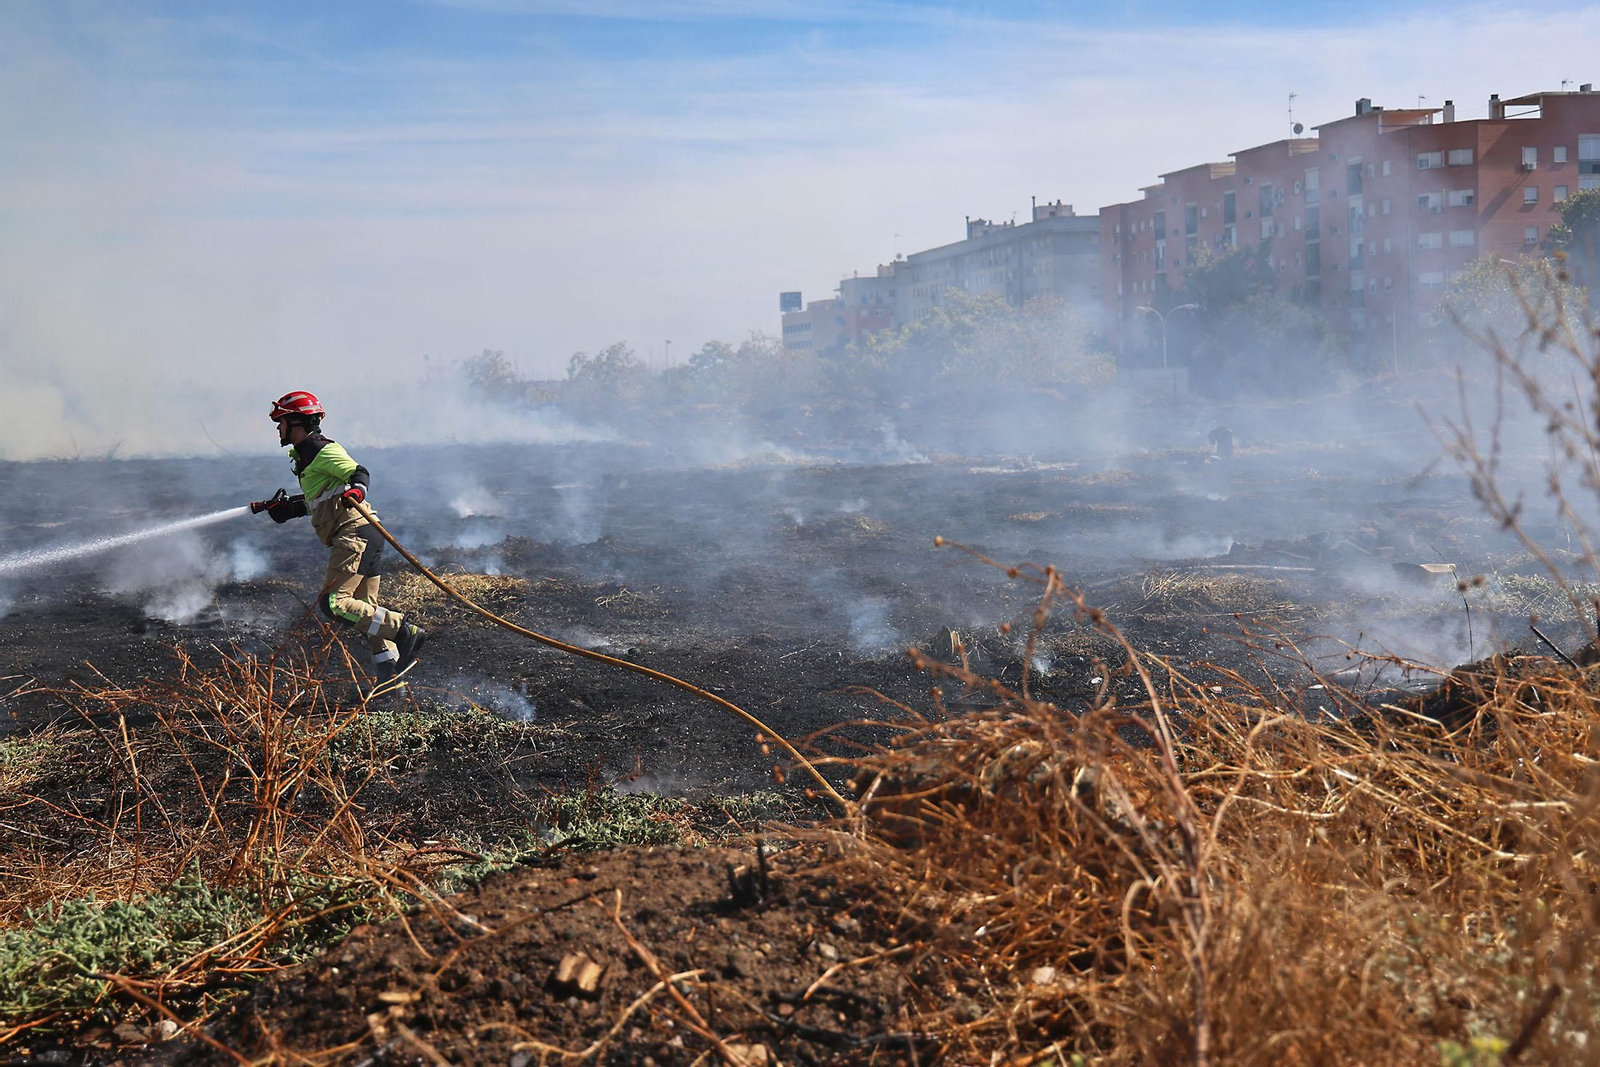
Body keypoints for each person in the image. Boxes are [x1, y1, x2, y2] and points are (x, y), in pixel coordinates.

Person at [256, 390, 425, 684]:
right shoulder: (307, 457)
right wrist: (288, 508)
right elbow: (321, 500)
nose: (278, 428)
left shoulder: (323, 450)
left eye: (280, 421)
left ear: (296, 422)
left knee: (334, 603)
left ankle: (402, 630)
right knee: (367, 613)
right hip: (364, 533)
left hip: (355, 534)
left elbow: (358, 473)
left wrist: (357, 490)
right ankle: (390, 677)